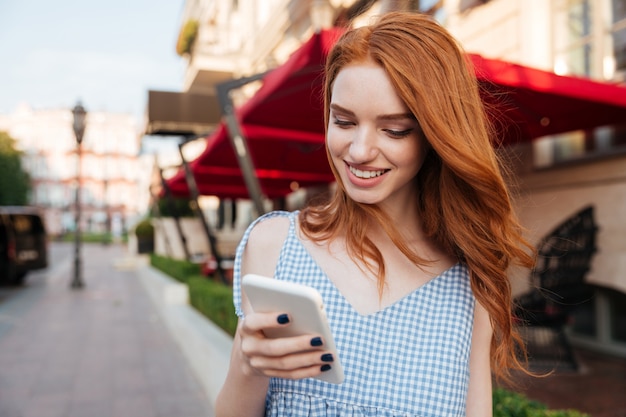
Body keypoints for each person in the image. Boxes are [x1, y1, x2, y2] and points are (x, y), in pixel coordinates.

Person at [216, 11, 534, 417]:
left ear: (436, 134)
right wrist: (248, 367)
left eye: (395, 129)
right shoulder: (273, 244)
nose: (360, 150)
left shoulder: (471, 285)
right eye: (344, 121)